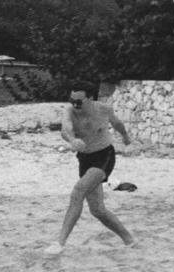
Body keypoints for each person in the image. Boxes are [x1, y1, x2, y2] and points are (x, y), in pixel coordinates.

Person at [44, 81, 136, 255]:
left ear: (90, 99)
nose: (74, 104)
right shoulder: (70, 110)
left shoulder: (103, 109)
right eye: (72, 100)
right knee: (98, 210)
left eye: (79, 101)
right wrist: (72, 140)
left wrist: (125, 136)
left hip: (104, 156)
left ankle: (59, 243)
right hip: (85, 159)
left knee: (78, 191)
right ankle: (129, 240)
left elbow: (117, 123)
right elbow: (65, 129)